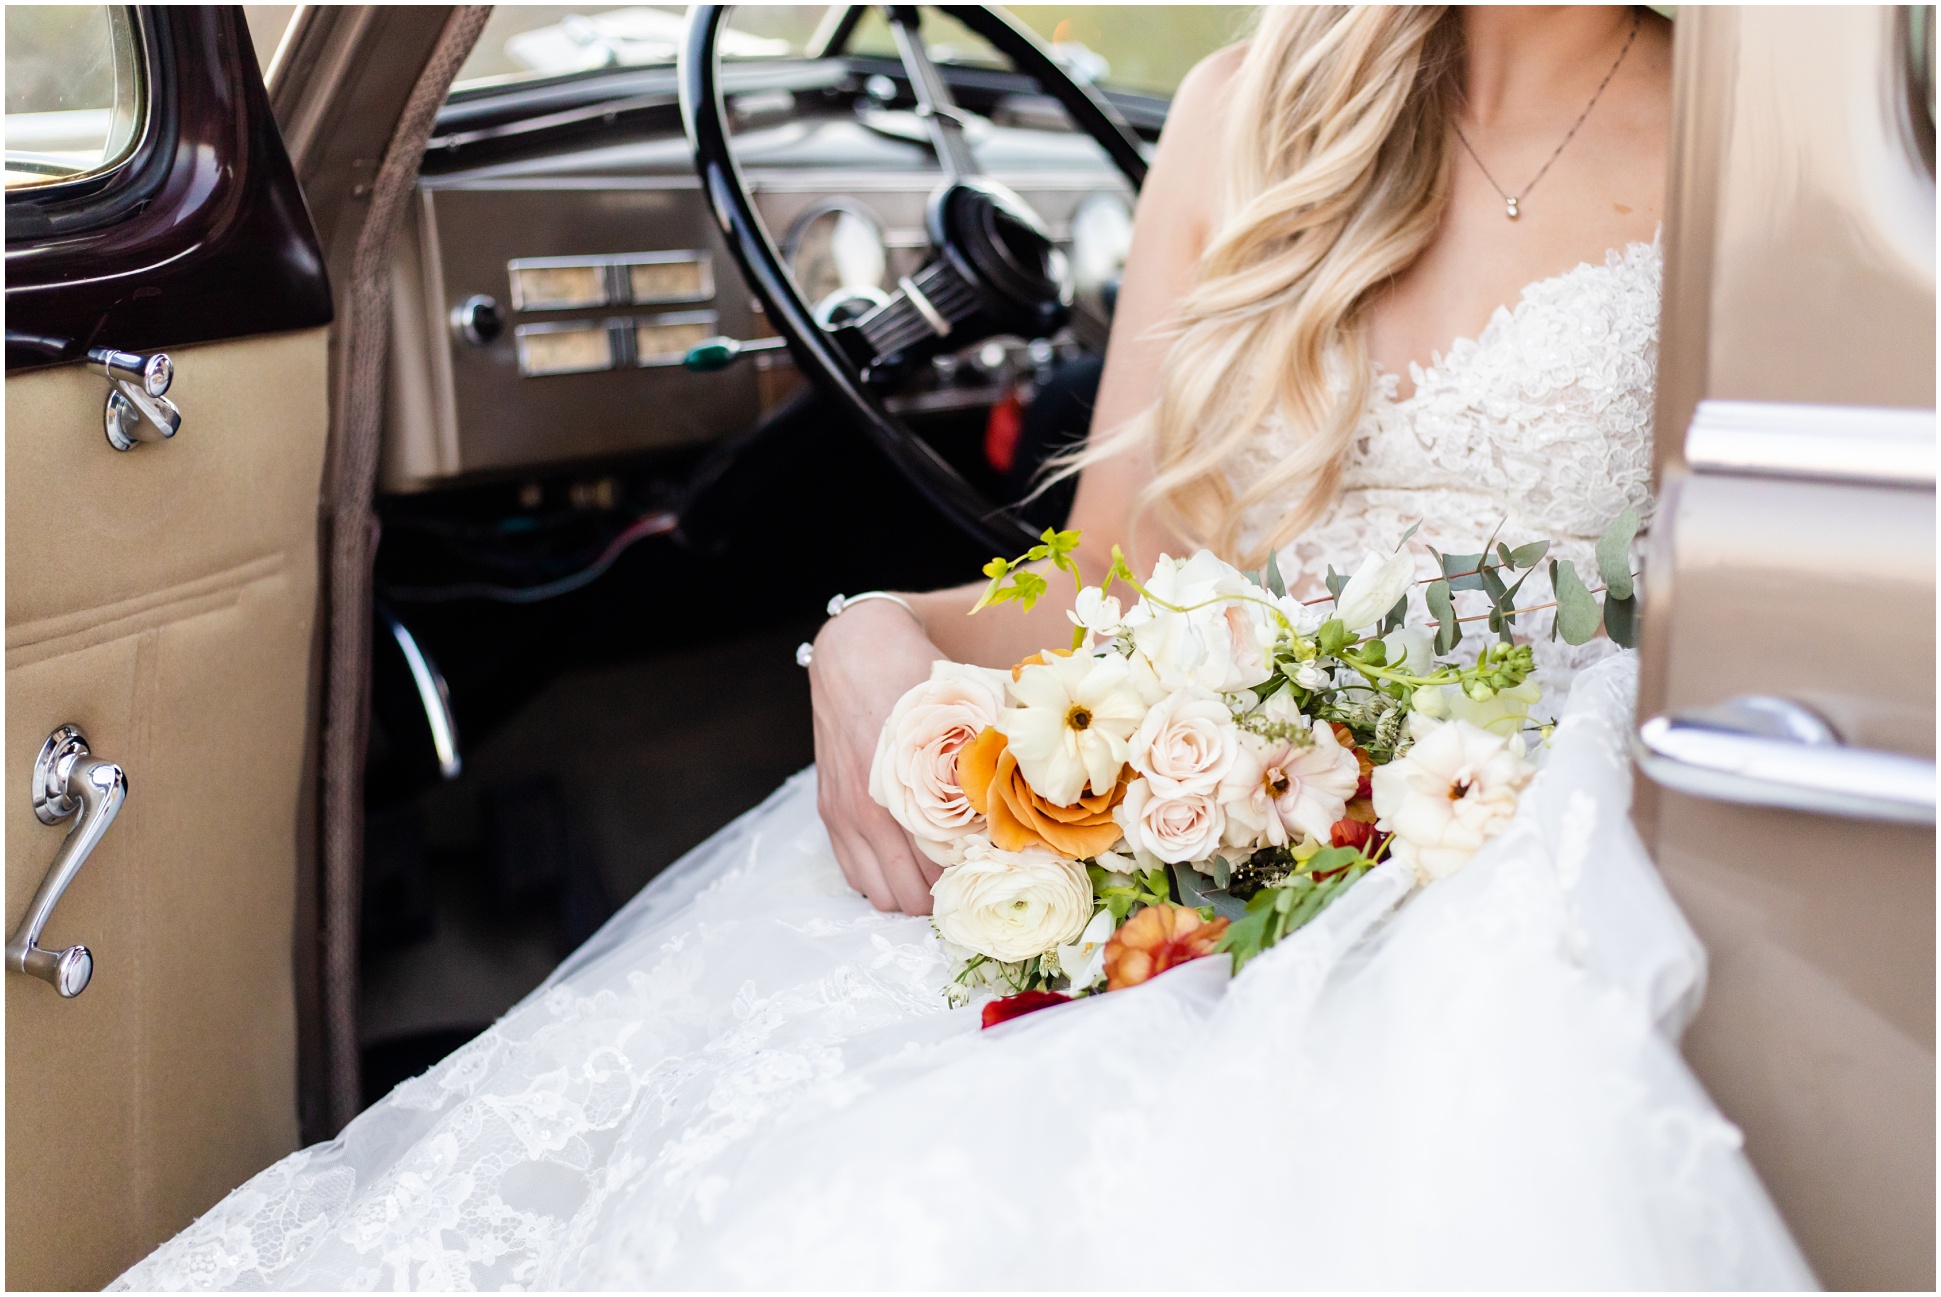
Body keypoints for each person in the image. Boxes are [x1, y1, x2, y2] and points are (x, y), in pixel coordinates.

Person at [117, 7, 1816, 1289]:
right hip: (1203, 790)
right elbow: (1120, 580)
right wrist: (880, 626)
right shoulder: (1256, 110)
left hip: (1530, 838)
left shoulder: (1768, 128)